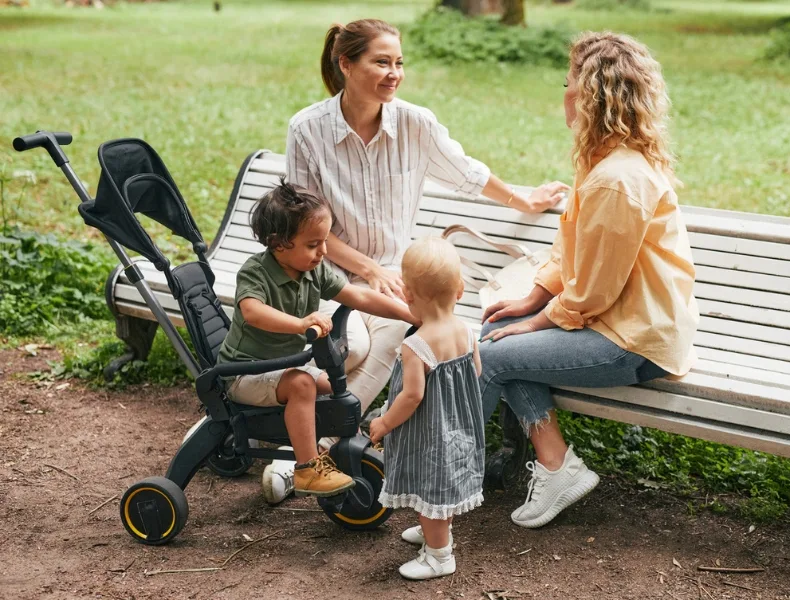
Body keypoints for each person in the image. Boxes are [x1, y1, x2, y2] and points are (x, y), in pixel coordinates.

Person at [284, 18, 569, 456]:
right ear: (346, 64)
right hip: (326, 273)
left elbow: (466, 173)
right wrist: (369, 270)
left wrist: (524, 200)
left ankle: (318, 445)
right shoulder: (307, 129)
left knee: (397, 334)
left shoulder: (415, 123)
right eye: (381, 62)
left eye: (399, 63)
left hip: (396, 276)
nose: (394, 73)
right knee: (351, 348)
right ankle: (299, 425)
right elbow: (307, 228)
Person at [479, 31, 700, 529]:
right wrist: (532, 299)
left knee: (489, 355)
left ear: (591, 96)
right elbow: (570, 250)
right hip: (615, 323)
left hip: (634, 342)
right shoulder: (601, 162)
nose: (564, 93)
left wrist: (537, 322)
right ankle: (558, 466)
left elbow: (594, 291)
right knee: (495, 334)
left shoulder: (617, 179)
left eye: (568, 82)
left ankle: (443, 485)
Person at [216, 178, 417, 498]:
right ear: (279, 243)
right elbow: (253, 312)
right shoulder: (256, 272)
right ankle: (308, 468)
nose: (323, 251)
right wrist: (300, 324)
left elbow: (359, 296)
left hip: (280, 367)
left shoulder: (313, 270)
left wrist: (410, 315)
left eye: (324, 241)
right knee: (303, 385)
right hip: (245, 372)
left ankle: (336, 446)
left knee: (333, 387)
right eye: (313, 244)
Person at [369, 237, 484, 581]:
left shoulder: (416, 344)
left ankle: (439, 555)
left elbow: (412, 396)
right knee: (445, 482)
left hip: (429, 432)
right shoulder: (466, 331)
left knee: (431, 483)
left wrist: (384, 423)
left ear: (407, 294)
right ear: (460, 289)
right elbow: (476, 372)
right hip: (458, 425)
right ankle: (436, 530)